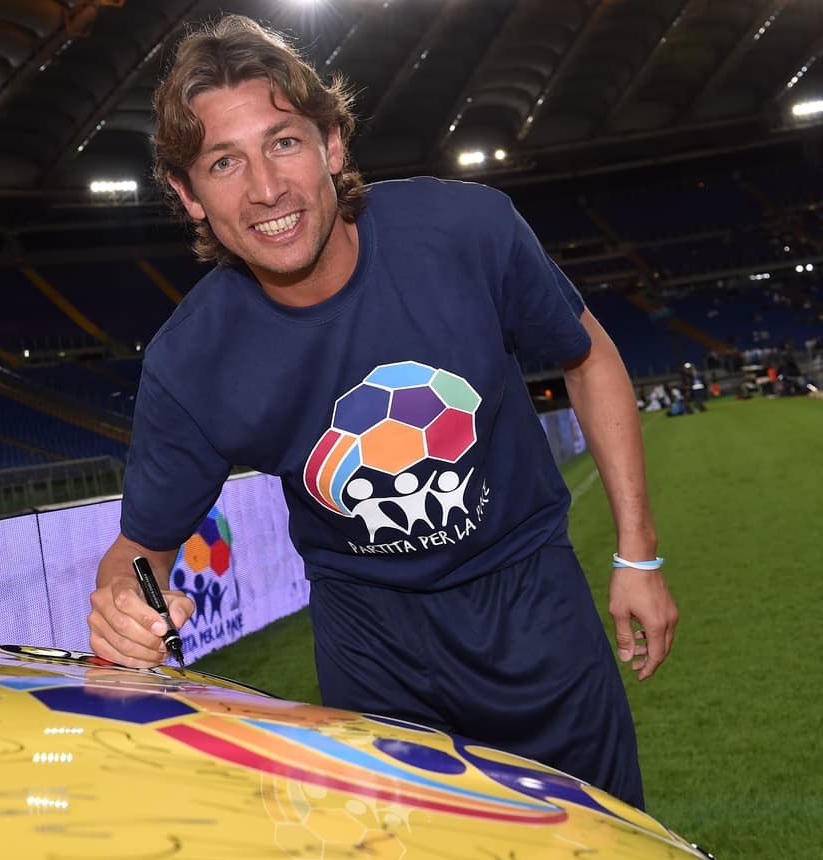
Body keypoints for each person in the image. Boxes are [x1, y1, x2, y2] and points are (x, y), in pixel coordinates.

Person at [87, 15, 677, 809]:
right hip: (374, 657)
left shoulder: (468, 232)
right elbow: (139, 555)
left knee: (605, 855)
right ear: (189, 196)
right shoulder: (192, 361)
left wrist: (637, 553)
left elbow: (588, 354)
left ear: (333, 144)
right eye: (224, 163)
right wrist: (125, 611)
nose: (266, 189)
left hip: (536, 611)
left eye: (284, 142)